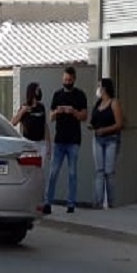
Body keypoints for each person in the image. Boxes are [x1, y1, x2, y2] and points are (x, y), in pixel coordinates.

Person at [44, 66, 88, 214]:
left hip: (74, 140)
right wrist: (58, 111)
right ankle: (47, 202)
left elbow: (84, 116)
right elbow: (50, 117)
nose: (66, 82)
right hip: (59, 140)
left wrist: (73, 111)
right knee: (53, 172)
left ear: (74, 80)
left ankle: (71, 204)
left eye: (69, 80)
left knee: (72, 173)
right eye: (64, 80)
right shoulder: (57, 95)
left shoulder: (80, 95)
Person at [88, 77, 123, 209]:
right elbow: (94, 120)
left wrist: (105, 130)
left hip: (111, 139)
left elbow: (119, 124)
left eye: (99, 86)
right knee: (99, 171)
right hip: (97, 139)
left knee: (109, 172)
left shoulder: (114, 103)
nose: (98, 89)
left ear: (105, 88)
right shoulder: (98, 104)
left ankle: (111, 202)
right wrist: (92, 126)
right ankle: (98, 202)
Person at [12, 82, 49, 205]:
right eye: (38, 89)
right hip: (28, 143)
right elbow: (13, 122)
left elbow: (45, 126)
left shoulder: (41, 107)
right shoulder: (25, 107)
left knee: (41, 172)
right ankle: (27, 198)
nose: (39, 92)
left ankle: (42, 199)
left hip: (41, 143)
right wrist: (22, 111)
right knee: (28, 171)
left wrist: (49, 144)